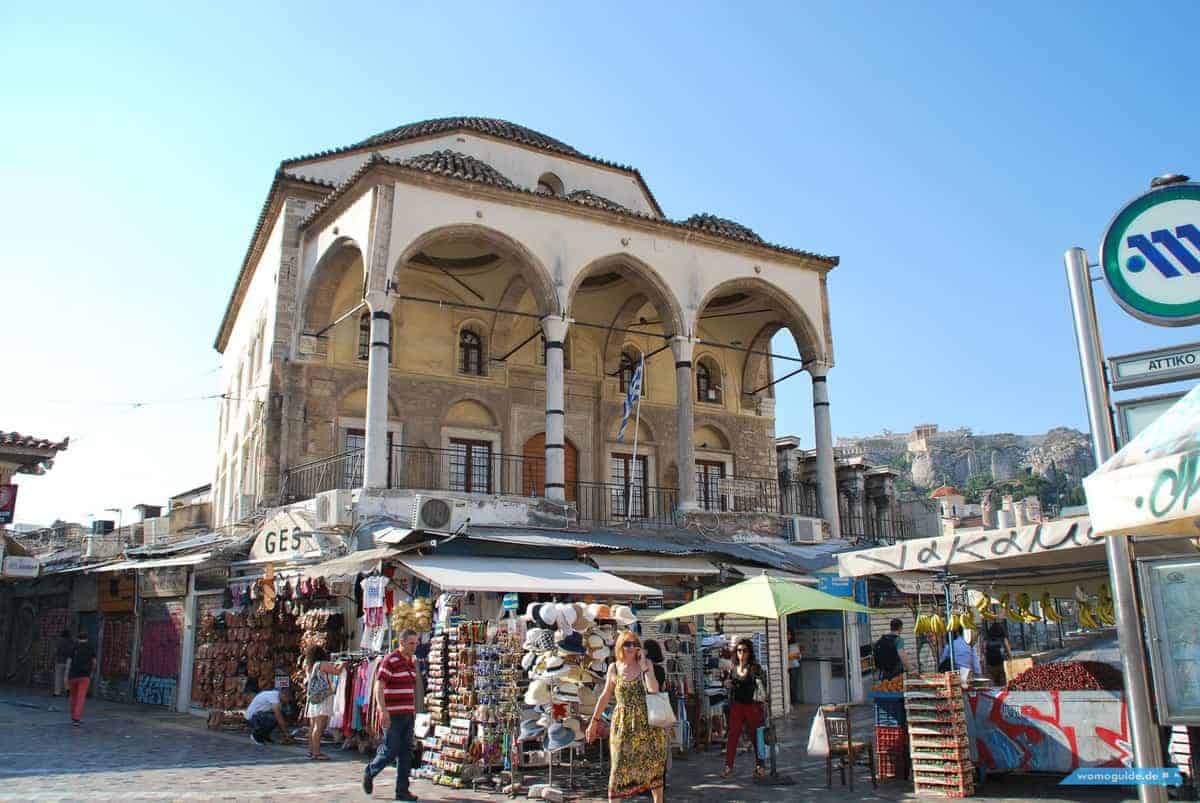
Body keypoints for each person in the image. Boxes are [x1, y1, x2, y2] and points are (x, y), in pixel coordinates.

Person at [586, 630, 666, 802]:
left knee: (652, 769)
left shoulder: (647, 664)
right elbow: (606, 695)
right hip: (622, 725)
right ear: (619, 646)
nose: (631, 647)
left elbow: (654, 690)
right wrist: (594, 721)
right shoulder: (614, 668)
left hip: (647, 726)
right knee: (618, 769)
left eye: (635, 644)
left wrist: (646, 668)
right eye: (627, 644)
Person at [363, 628, 419, 802]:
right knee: (390, 750)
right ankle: (370, 771)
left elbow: (411, 688)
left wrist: (414, 709)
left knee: (406, 753)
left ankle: (402, 790)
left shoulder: (411, 661)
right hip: (393, 715)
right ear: (401, 642)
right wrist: (383, 710)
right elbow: (379, 687)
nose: (414, 646)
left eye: (416, 643)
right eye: (411, 643)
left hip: (408, 714)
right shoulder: (390, 660)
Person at [720, 637, 767, 780]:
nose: (741, 653)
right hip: (737, 705)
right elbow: (730, 684)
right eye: (739, 650)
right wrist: (727, 683)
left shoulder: (755, 668)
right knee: (733, 736)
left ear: (749, 652)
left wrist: (764, 702)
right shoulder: (733, 668)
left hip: (752, 706)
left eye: (744, 650)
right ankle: (728, 767)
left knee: (755, 736)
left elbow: (763, 686)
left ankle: (760, 766)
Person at [303, 645, 341, 760]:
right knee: (319, 727)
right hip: (323, 698)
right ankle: (317, 753)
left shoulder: (309, 666)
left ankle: (311, 751)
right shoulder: (322, 664)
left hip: (314, 699)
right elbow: (337, 672)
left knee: (313, 726)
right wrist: (344, 663)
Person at [66, 632, 95, 726]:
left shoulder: (74, 647)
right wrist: (91, 673)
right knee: (81, 697)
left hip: (73, 675)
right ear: (87, 639)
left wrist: (66, 675)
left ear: (78, 639)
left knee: (73, 696)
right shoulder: (90, 648)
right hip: (85, 676)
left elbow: (69, 662)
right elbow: (94, 662)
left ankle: (73, 715)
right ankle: (77, 718)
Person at [53, 629, 74, 697]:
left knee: (58, 677)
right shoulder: (71, 641)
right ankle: (68, 689)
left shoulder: (59, 641)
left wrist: (55, 657)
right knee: (67, 677)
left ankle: (57, 692)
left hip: (60, 660)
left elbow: (56, 650)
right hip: (68, 660)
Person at [787, 629, 802, 705]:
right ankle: (789, 701)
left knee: (793, 685)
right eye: (787, 634)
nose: (788, 636)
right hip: (787, 667)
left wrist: (794, 656)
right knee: (788, 684)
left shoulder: (794, 644)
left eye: (789, 634)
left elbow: (799, 656)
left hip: (794, 666)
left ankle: (793, 700)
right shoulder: (783, 643)